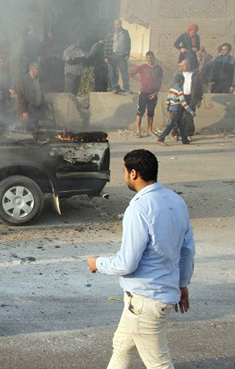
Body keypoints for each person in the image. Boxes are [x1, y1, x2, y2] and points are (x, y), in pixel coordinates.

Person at [86, 149, 195, 369]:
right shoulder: (175, 200)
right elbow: (187, 250)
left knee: (159, 364)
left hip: (145, 301)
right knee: (121, 346)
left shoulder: (138, 208)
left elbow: (127, 263)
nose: (124, 175)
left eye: (125, 171)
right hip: (151, 297)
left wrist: (97, 263)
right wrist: (182, 284)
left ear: (133, 173)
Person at [130, 51, 163, 138]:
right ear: (146, 58)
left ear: (154, 57)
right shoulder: (143, 67)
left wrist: (156, 93)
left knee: (151, 112)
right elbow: (131, 73)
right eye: (148, 58)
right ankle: (138, 131)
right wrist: (139, 81)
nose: (149, 59)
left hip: (153, 93)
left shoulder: (158, 68)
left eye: (151, 57)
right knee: (140, 111)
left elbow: (160, 82)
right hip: (143, 92)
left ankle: (149, 131)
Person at [157, 73, 195, 146]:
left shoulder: (172, 89)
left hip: (173, 109)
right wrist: (191, 111)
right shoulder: (179, 90)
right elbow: (183, 103)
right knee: (170, 125)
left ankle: (185, 140)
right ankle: (160, 139)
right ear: (182, 81)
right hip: (176, 110)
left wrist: (168, 108)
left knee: (180, 125)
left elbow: (168, 99)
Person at [178, 54, 203, 142]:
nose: (182, 67)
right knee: (178, 115)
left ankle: (188, 134)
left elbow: (199, 89)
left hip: (191, 97)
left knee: (189, 116)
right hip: (180, 97)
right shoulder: (178, 74)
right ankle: (176, 133)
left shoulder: (195, 75)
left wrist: (199, 100)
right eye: (181, 65)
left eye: (184, 65)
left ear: (188, 65)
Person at [17, 61, 46, 131]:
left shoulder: (37, 79)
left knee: (36, 130)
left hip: (36, 109)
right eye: (38, 69)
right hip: (28, 110)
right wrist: (24, 111)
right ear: (32, 69)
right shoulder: (24, 80)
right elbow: (21, 96)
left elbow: (40, 93)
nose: (39, 70)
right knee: (28, 131)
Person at [108, 19, 131, 93]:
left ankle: (126, 88)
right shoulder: (110, 33)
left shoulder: (125, 33)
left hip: (122, 56)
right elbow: (107, 45)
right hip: (112, 56)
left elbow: (128, 44)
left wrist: (127, 53)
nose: (119, 25)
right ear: (114, 25)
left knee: (124, 72)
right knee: (112, 72)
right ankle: (115, 88)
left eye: (120, 24)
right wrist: (106, 56)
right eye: (117, 24)